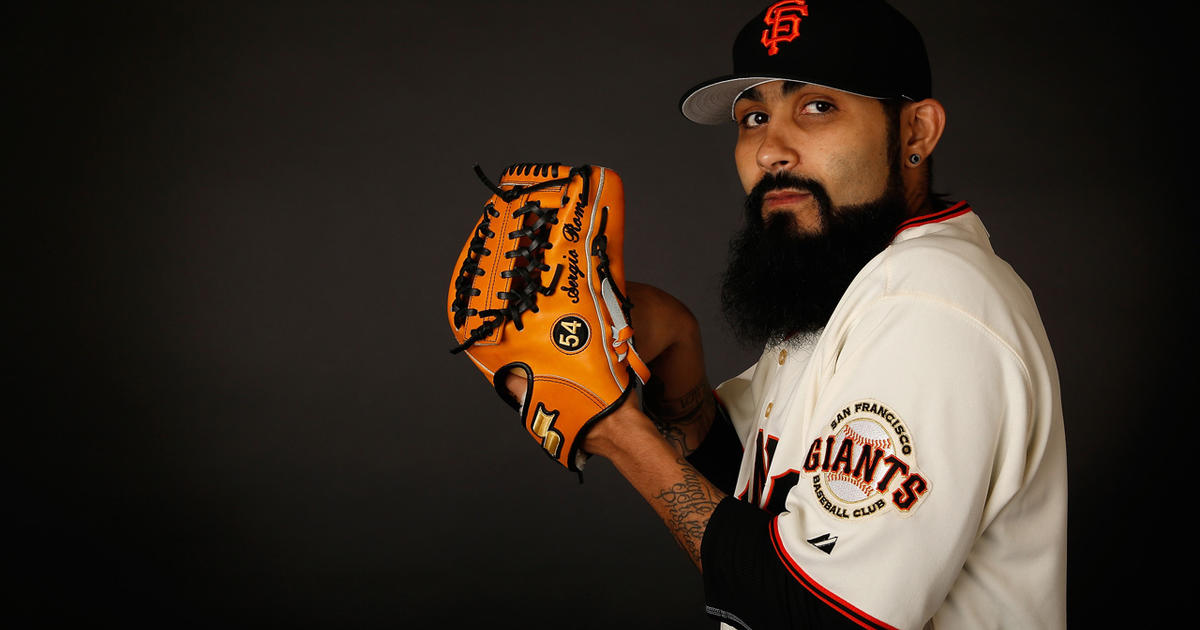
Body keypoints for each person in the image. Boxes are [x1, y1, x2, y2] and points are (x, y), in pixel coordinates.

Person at [508, 1, 1066, 628]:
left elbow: (813, 613)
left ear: (915, 132)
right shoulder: (853, 275)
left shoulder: (928, 305)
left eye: (817, 107)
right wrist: (677, 360)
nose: (771, 148)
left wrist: (622, 435)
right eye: (753, 116)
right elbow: (767, 500)